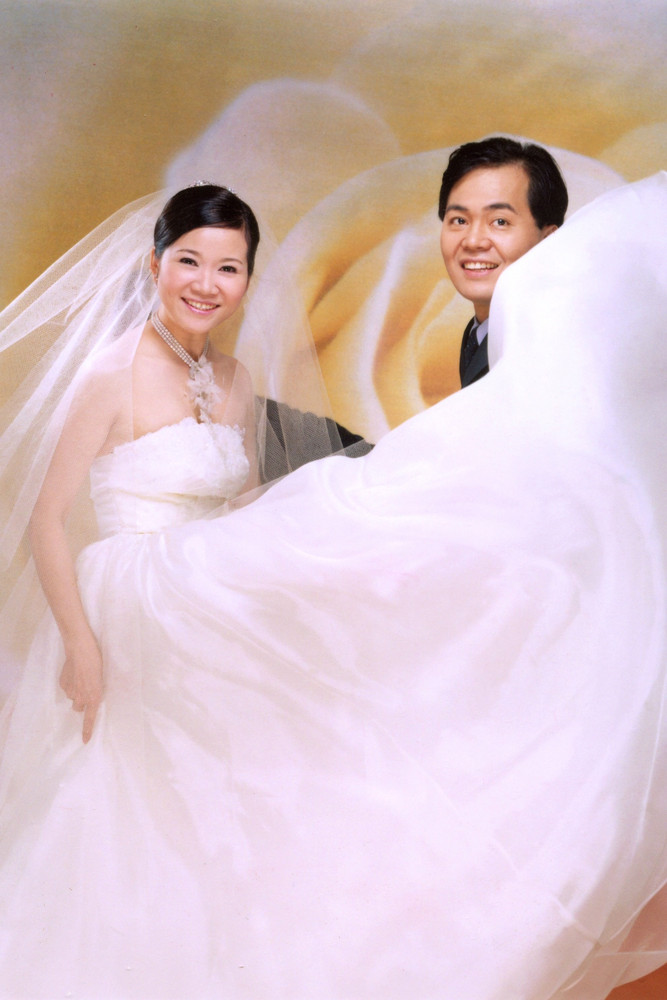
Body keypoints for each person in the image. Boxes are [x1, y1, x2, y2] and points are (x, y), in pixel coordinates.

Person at [0, 172, 666, 999]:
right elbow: (46, 518)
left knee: (253, 766)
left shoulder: (234, 379)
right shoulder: (110, 373)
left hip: (208, 587)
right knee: (126, 799)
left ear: (247, 280)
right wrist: (79, 645)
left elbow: (240, 500)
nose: (207, 285)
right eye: (190, 262)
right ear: (154, 265)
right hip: (132, 598)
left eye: (229, 268)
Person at [438, 136, 569, 388]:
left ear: (548, 239)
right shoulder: (480, 331)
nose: (473, 241)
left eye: (500, 221)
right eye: (459, 220)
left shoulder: (550, 345)